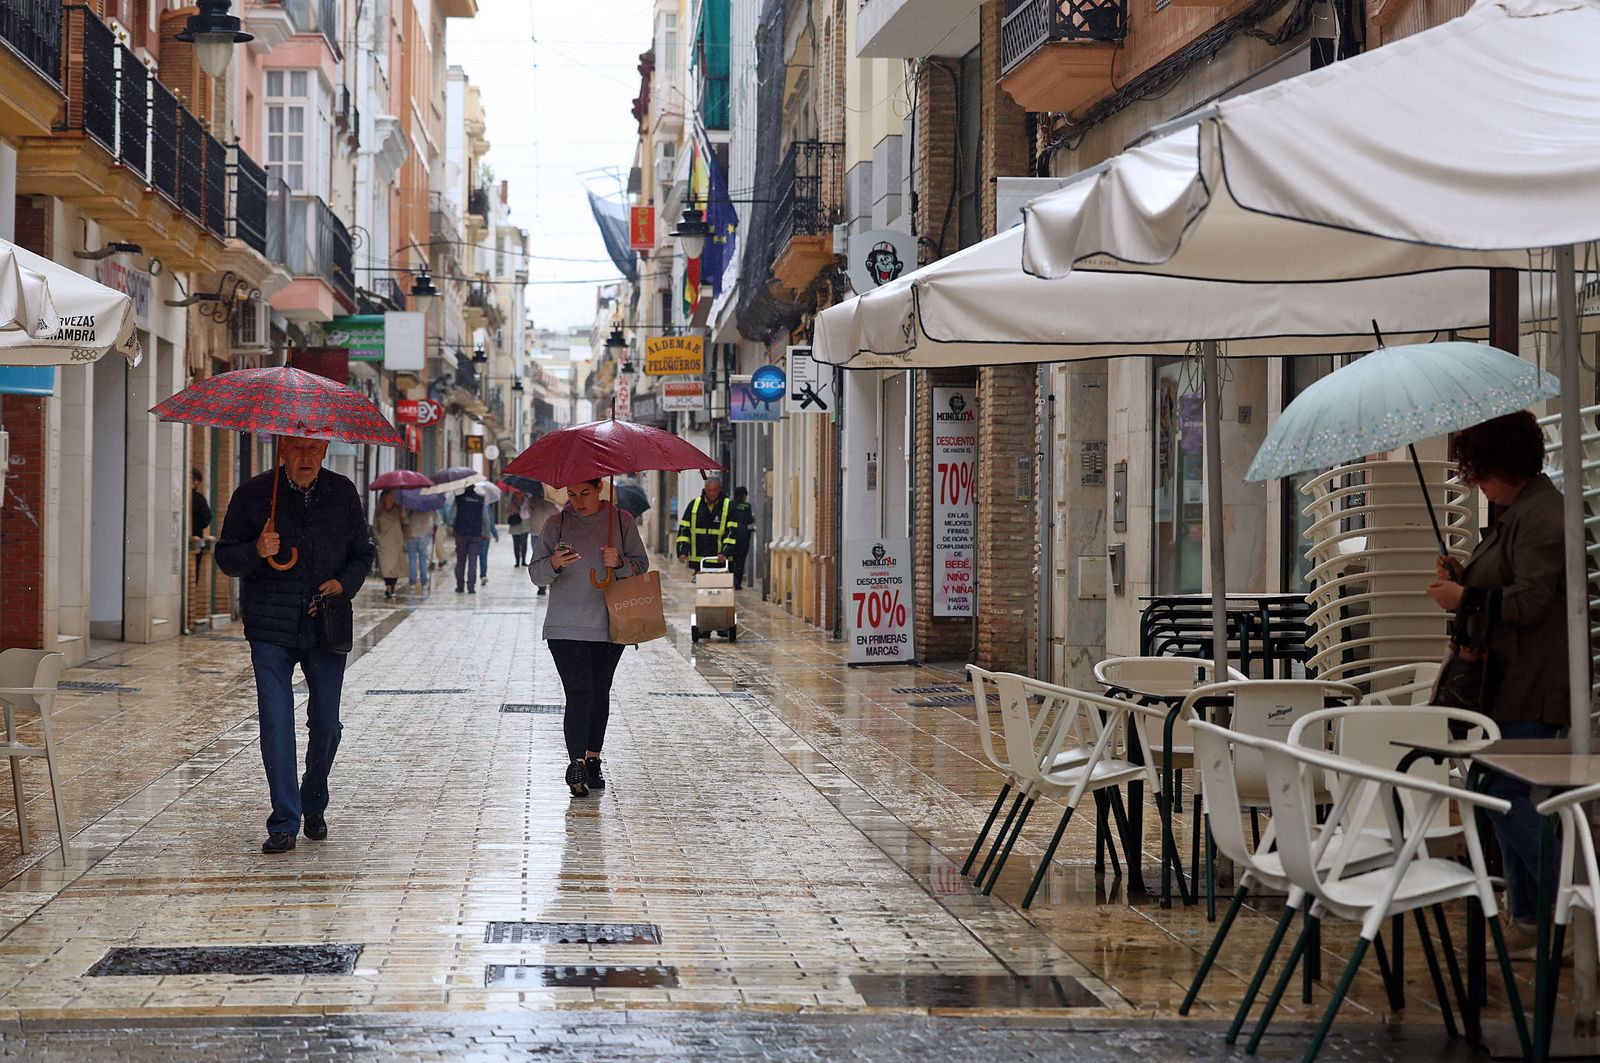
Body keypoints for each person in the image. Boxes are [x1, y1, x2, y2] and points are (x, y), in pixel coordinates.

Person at [1427, 410, 1566, 954]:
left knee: (1502, 793)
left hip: (1530, 686)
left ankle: (1569, 908)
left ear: (1497, 467)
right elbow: (1506, 583)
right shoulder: (1519, 512)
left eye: (1477, 472)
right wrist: (1465, 578)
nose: (1475, 483)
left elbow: (1532, 599)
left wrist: (1466, 598)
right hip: (1505, 687)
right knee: (1495, 792)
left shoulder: (1540, 516)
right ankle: (1530, 917)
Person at [214, 436, 374, 854]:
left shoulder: (342, 492)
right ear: (282, 450)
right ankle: (284, 821)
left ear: (324, 451)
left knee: (326, 723)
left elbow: (363, 552)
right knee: (275, 721)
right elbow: (226, 557)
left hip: (325, 626)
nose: (305, 457)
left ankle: (313, 798)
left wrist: (345, 584)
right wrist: (256, 549)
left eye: (313, 448)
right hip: (270, 627)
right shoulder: (253, 494)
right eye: (296, 448)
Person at [528, 479, 649, 797]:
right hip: (564, 626)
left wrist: (620, 563)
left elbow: (641, 566)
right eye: (572, 494)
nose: (578, 500)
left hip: (611, 624)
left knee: (599, 692)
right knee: (579, 693)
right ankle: (576, 763)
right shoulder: (557, 524)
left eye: (585, 493)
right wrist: (554, 563)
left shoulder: (621, 521)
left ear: (600, 489)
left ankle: (593, 759)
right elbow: (536, 573)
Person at [675, 476, 737, 571]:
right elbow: (684, 530)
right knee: (702, 585)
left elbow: (732, 533)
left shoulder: (728, 506)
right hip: (699, 561)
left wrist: (725, 553)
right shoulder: (694, 505)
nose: (711, 494)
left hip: (720, 561)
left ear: (719, 489)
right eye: (709, 490)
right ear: (705, 489)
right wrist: (682, 551)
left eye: (714, 490)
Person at [371, 489, 407, 600]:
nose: (391, 499)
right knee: (386, 567)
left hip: (396, 541)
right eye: (389, 496)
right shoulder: (379, 511)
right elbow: (375, 527)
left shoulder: (398, 509)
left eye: (392, 497)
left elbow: (405, 525)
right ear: (384, 498)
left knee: (395, 568)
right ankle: (388, 588)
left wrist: (403, 517)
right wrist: (379, 539)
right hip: (385, 542)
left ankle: (392, 587)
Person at [451, 486, 486, 593]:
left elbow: (453, 515)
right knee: (473, 560)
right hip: (475, 533)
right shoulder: (481, 499)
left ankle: (460, 585)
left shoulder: (458, 499)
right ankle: (471, 586)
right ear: (474, 487)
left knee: (460, 560)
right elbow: (485, 517)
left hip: (461, 533)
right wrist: (486, 532)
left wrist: (451, 525)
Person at [728, 486, 757, 590]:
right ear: (744, 496)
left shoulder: (730, 505)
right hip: (744, 537)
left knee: (731, 559)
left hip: (731, 537)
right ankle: (737, 582)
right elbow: (750, 520)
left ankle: (730, 578)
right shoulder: (747, 506)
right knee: (741, 560)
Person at [405, 500, 438, 591]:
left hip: (411, 534)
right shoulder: (429, 503)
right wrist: (434, 530)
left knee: (412, 559)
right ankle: (424, 582)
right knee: (423, 558)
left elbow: (405, 518)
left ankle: (412, 582)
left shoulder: (410, 503)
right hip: (424, 534)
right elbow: (436, 520)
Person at [190, 467, 214, 586]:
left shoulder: (197, 499)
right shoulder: (198, 499)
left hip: (193, 540)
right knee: (194, 577)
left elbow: (205, 519)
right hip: (195, 536)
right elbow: (206, 520)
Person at [477, 494, 499, 585]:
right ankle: (483, 575)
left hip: (473, 534)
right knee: (483, 556)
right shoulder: (485, 506)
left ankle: (473, 577)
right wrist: (494, 534)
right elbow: (489, 522)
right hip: (484, 536)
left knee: (473, 556)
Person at [508, 490, 532, 567]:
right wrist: (512, 510)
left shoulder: (527, 501)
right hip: (515, 525)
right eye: (517, 493)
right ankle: (517, 561)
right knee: (516, 544)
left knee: (524, 543)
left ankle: (523, 561)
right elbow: (507, 510)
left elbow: (531, 511)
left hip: (525, 525)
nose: (519, 494)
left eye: (520, 493)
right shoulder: (512, 502)